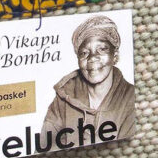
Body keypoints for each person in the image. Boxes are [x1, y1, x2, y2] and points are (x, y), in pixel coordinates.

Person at [42, 15, 136, 148]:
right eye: (84, 53)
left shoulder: (130, 98)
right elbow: (43, 149)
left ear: (115, 56)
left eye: (101, 49)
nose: (92, 58)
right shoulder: (63, 97)